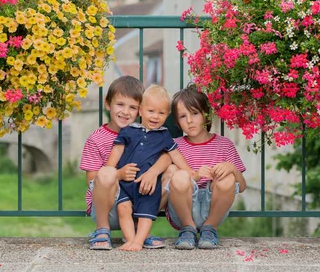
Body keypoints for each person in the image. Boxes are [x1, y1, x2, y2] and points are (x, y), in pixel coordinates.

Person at [80, 76, 173, 250]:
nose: (126, 112)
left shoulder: (147, 133)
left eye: (132, 107)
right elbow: (92, 179)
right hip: (109, 207)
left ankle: (138, 231)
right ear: (108, 104)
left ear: (140, 110)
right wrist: (119, 174)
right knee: (107, 172)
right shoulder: (96, 139)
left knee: (172, 171)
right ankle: (102, 229)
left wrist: (153, 172)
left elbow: (168, 155)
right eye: (120, 105)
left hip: (139, 200)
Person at [106, 85, 193, 251]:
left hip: (147, 186)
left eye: (161, 113)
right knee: (123, 208)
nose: (155, 116)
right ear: (140, 110)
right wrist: (110, 171)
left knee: (146, 214)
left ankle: (138, 241)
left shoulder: (164, 135)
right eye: (151, 111)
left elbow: (175, 155)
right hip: (125, 183)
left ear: (167, 115)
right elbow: (117, 150)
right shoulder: (128, 130)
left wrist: (189, 171)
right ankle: (130, 240)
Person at [166, 84, 246, 250]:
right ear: (177, 122)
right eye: (183, 116)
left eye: (194, 113)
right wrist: (194, 177)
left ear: (205, 114)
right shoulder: (174, 146)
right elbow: (168, 180)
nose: (189, 120)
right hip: (182, 210)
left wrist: (231, 167)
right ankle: (188, 229)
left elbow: (242, 186)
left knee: (227, 178)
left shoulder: (224, 144)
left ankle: (209, 229)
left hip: (213, 210)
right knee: (179, 175)